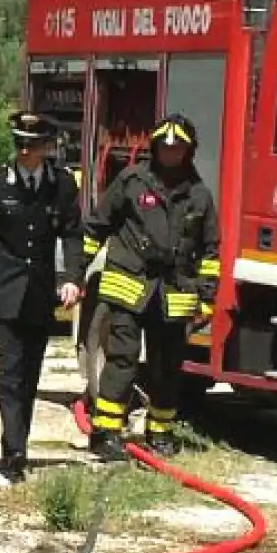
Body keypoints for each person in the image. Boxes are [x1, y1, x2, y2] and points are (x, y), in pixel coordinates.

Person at [0, 112, 84, 483]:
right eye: (19, 144)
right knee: (10, 371)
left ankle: (18, 438)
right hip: (3, 290)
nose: (24, 151)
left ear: (45, 147)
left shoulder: (61, 184)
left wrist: (73, 277)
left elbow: (72, 234)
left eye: (32, 145)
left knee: (29, 372)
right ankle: (14, 451)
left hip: (40, 293)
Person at [81, 113, 219, 461]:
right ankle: (105, 432)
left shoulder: (199, 196)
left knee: (166, 365)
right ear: (155, 148)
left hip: (173, 293)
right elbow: (96, 227)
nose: (170, 155)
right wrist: (74, 274)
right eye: (165, 148)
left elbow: (210, 250)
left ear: (188, 152)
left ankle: (160, 433)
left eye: (178, 150)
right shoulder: (131, 182)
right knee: (123, 360)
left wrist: (206, 298)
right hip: (128, 285)